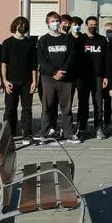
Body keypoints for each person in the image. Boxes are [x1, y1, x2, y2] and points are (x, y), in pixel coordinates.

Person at [37, 12, 78, 142]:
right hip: (48, 78)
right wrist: (54, 72)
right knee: (47, 107)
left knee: (66, 107)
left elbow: (71, 57)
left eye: (57, 21)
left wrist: (63, 71)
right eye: (52, 21)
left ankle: (68, 133)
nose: (55, 23)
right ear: (47, 23)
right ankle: (44, 133)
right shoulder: (43, 40)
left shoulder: (68, 39)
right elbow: (42, 60)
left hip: (66, 78)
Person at [1, 16, 38, 142]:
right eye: (20, 24)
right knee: (10, 108)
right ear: (15, 25)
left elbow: (34, 65)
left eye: (24, 24)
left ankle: (26, 133)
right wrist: (4, 81)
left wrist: (34, 81)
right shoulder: (7, 43)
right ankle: (9, 133)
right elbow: (4, 64)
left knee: (27, 109)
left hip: (27, 82)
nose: (22, 26)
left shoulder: (31, 43)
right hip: (11, 81)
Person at [79, 16, 108, 140]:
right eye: (90, 24)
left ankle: (99, 127)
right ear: (86, 25)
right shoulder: (81, 39)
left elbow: (106, 59)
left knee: (98, 103)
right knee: (83, 103)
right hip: (84, 76)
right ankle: (82, 127)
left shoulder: (102, 40)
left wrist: (106, 76)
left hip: (98, 76)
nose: (93, 26)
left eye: (95, 24)